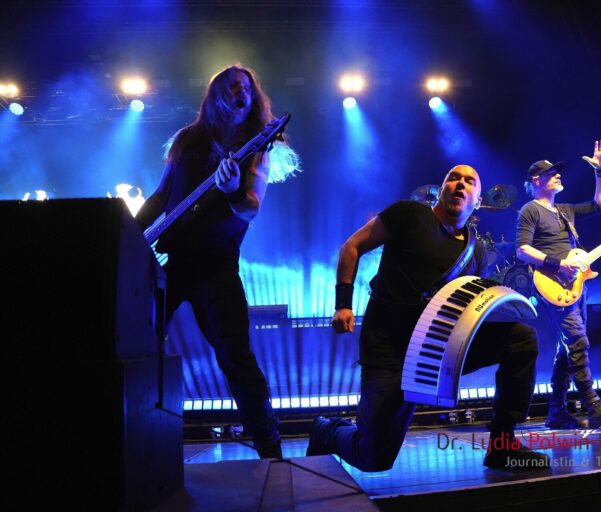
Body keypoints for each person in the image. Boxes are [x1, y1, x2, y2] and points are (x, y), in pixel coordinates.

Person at [306, 164, 548, 471]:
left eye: (469, 181)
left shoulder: (476, 252)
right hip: (390, 349)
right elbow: (352, 246)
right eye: (453, 178)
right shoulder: (408, 214)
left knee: (520, 338)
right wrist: (343, 304)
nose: (460, 183)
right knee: (374, 458)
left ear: (478, 200)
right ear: (442, 188)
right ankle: (327, 430)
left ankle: (503, 444)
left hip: (436, 349)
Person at [135, 64, 282, 458]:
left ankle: (269, 446)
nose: (241, 92)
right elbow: (161, 196)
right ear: (216, 93)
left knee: (235, 356)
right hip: (174, 261)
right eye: (232, 86)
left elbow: (251, 208)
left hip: (217, 265)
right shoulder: (187, 139)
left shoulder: (257, 148)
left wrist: (232, 190)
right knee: (139, 344)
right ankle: (139, 440)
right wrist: (130, 235)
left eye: (246, 88)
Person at [515, 139, 601, 429]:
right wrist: (558, 264)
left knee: (568, 348)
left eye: (558, 172)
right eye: (551, 173)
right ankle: (592, 405)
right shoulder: (530, 210)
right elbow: (522, 250)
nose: (558, 175)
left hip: (575, 286)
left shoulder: (565, 210)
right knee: (577, 340)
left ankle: (557, 411)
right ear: (536, 180)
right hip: (551, 285)